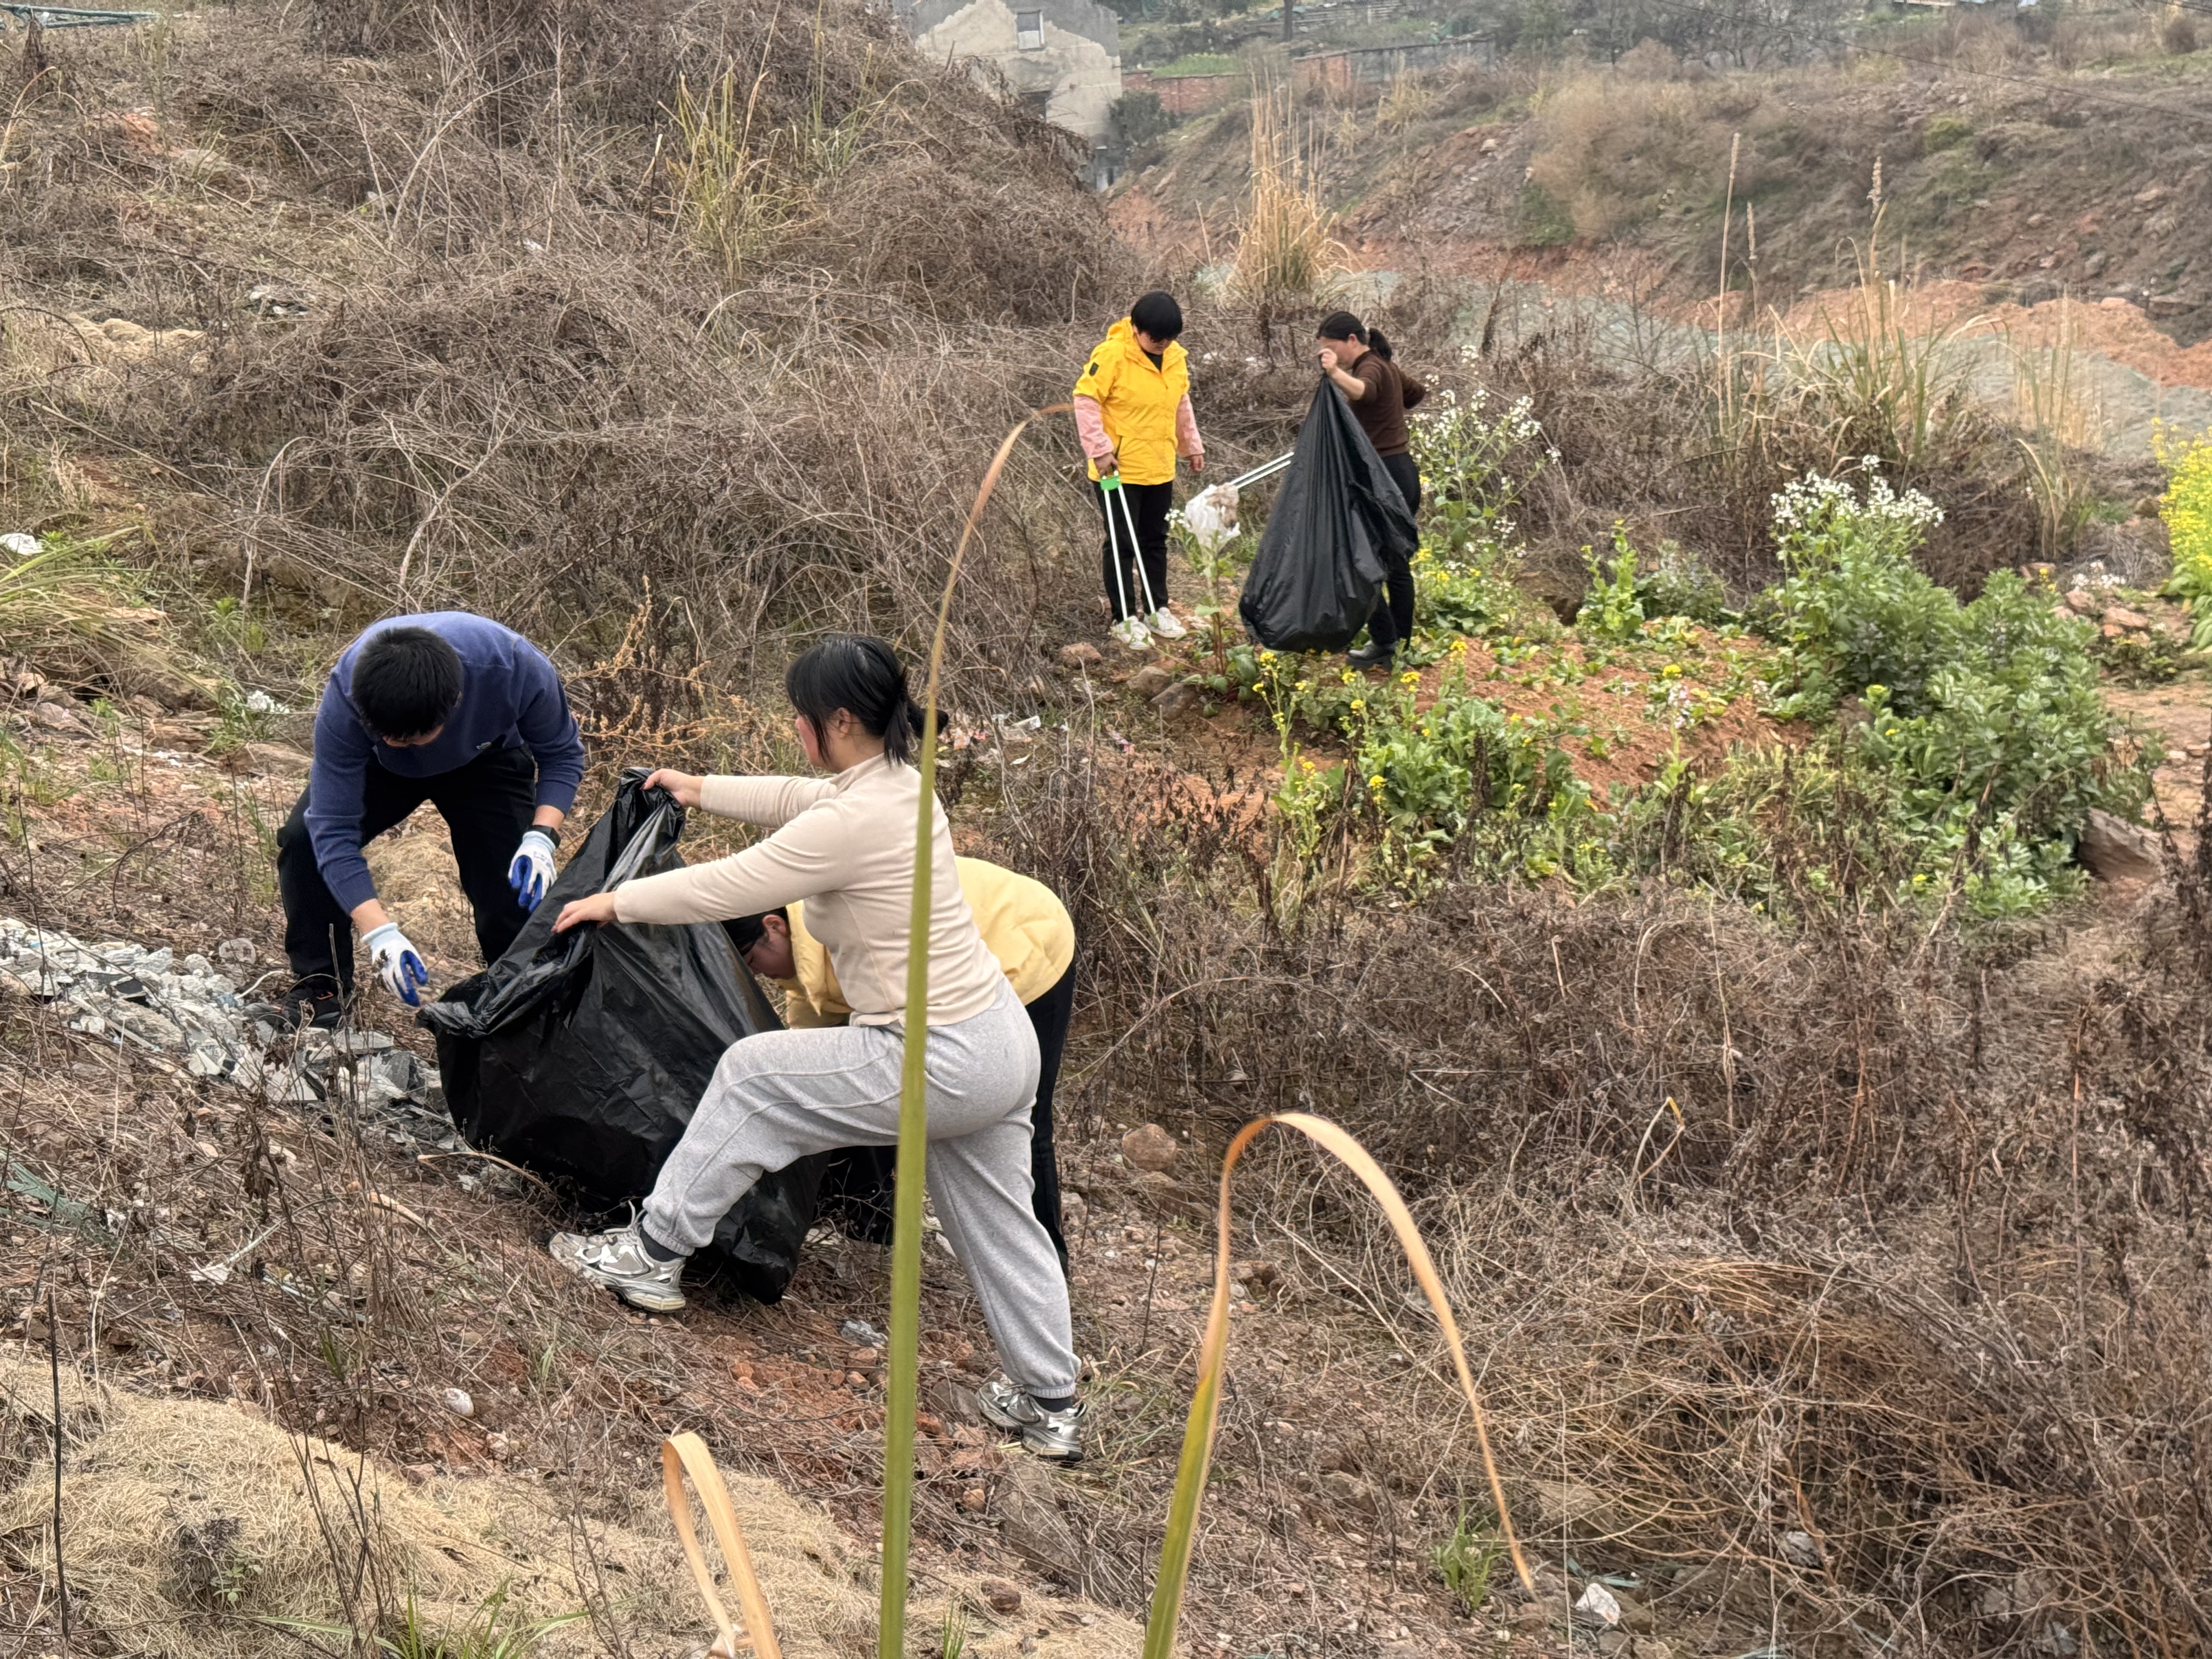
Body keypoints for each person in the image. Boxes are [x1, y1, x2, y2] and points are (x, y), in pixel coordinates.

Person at [545, 635, 1085, 1460]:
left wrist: (616, 903)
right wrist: (703, 788)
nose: (797, 731)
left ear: (837, 721)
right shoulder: (903, 785)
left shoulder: (857, 819)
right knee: (1003, 1222)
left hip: (937, 1052)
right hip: (1001, 1044)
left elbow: (731, 885)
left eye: (802, 719)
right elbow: (807, 797)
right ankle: (1050, 1406)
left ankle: (649, 1254)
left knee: (752, 1075)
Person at [726, 856, 1077, 1273]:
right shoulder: (809, 962)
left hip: (1023, 940)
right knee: (863, 1076)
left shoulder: (854, 935)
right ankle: (870, 1221)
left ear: (774, 927)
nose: (761, 976)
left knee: (1022, 1117)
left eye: (752, 962)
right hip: (944, 962)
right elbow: (824, 1073)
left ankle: (1047, 1264)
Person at [268, 613, 584, 1028]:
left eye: (411, 739)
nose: (401, 744)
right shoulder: (347, 697)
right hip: (382, 770)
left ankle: (521, 1004)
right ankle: (321, 988)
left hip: (488, 758)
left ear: (454, 703)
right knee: (303, 843)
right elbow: (332, 831)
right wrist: (380, 935)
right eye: (389, 736)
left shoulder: (512, 668)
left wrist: (542, 836)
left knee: (510, 889)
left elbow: (562, 754)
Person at [1074, 290, 1205, 652]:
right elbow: (1085, 400)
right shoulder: (1112, 355)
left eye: (1169, 339)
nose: (1162, 345)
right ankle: (1123, 619)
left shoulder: (1176, 358)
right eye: (1155, 339)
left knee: (1155, 540)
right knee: (1121, 544)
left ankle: (1157, 609)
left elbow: (1180, 402)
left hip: (1159, 464)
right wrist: (1100, 450)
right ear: (1136, 330)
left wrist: (1191, 444)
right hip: (1119, 467)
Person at [1316, 312, 1427, 668]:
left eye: (1332, 349)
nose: (1330, 355)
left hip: (1383, 478)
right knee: (1395, 565)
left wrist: (1335, 374)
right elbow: (1418, 393)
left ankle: (1386, 643)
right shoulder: (1386, 365)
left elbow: (1366, 391)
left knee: (1358, 562)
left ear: (1352, 340)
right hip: (1402, 474)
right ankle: (1398, 647)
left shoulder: (1371, 367)